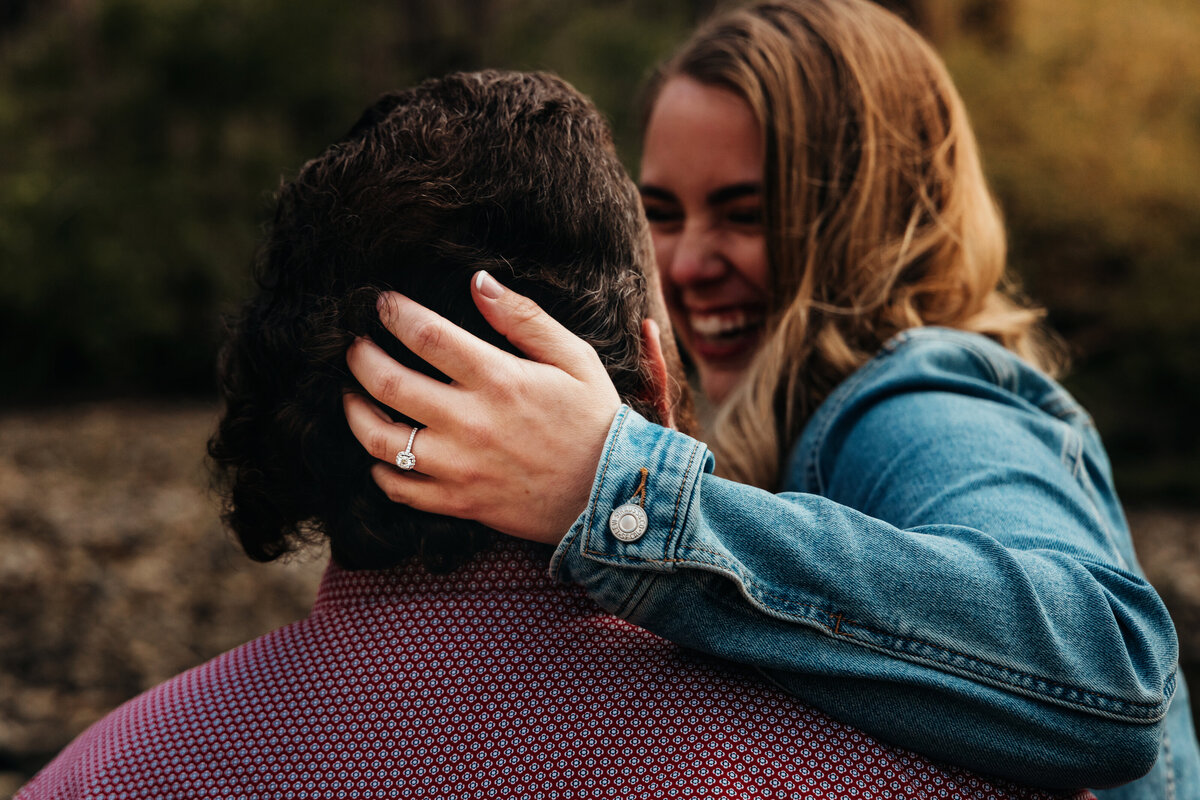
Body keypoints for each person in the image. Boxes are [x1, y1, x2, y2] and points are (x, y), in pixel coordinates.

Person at [16, 70, 1087, 800]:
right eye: (666, 216)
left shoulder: (102, 775)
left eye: (744, 212)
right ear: (655, 372)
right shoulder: (900, 772)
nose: (704, 257)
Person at [340, 2, 1200, 798]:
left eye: (746, 214)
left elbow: (1115, 670)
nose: (685, 265)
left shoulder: (915, 404)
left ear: (875, 215)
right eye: (664, 214)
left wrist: (611, 491)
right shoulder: (811, 424)